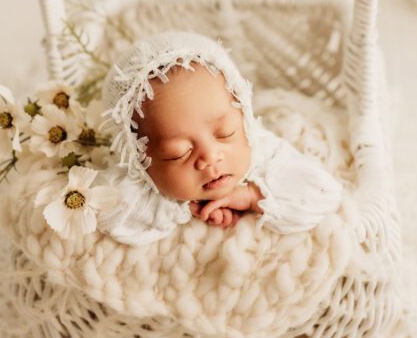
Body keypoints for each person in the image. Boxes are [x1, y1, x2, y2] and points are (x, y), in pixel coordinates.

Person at [97, 30, 343, 246]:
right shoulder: (139, 187)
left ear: (244, 117)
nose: (210, 157)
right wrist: (181, 208)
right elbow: (108, 216)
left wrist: (251, 196)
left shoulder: (262, 151)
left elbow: (324, 194)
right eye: (179, 153)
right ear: (138, 159)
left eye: (226, 133)